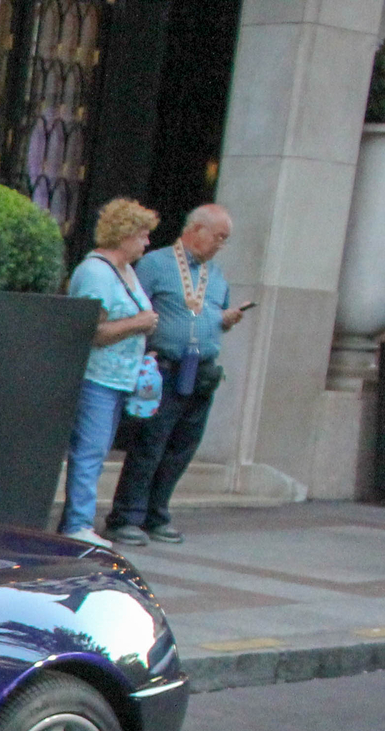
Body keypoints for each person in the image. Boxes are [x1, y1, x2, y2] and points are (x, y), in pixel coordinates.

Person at [105, 203, 251, 545]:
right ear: (196, 229)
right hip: (165, 369)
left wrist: (225, 320)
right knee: (149, 445)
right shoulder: (155, 264)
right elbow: (133, 306)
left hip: (201, 371)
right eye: (218, 237)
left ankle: (157, 514)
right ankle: (126, 515)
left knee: (182, 447)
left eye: (225, 240)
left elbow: (207, 313)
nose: (220, 245)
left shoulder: (215, 274)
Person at [58, 198, 160, 547]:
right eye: (143, 235)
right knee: (89, 449)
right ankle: (76, 523)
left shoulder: (126, 271)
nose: (147, 243)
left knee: (97, 450)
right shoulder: (96, 273)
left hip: (120, 378)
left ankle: (81, 520)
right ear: (125, 234)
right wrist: (139, 324)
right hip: (96, 377)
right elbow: (93, 332)